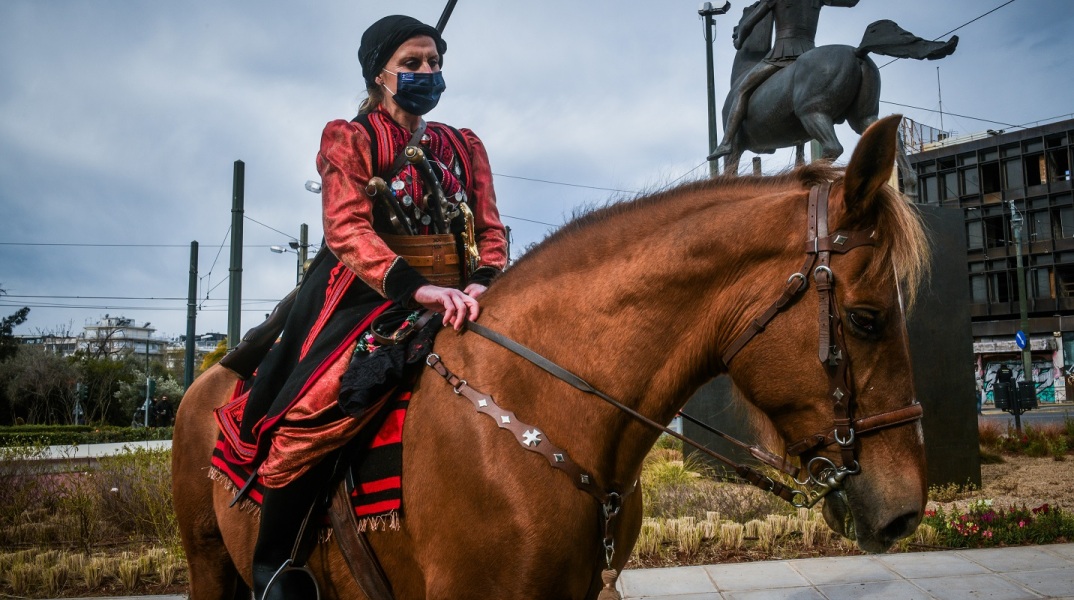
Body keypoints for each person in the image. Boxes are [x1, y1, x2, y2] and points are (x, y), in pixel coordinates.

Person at [232, 15, 509, 599]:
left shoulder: (464, 145)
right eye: (412, 63)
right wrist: (419, 289)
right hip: (370, 296)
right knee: (315, 407)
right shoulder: (350, 138)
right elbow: (348, 230)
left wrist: (484, 282)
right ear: (379, 74)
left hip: (463, 295)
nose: (427, 72)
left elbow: (490, 230)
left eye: (434, 62)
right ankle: (274, 566)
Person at [710, 0, 859, 159]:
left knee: (742, 90)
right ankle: (800, 155)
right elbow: (850, 2)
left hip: (780, 56)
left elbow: (747, 25)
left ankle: (727, 142)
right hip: (808, 53)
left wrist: (739, 40)